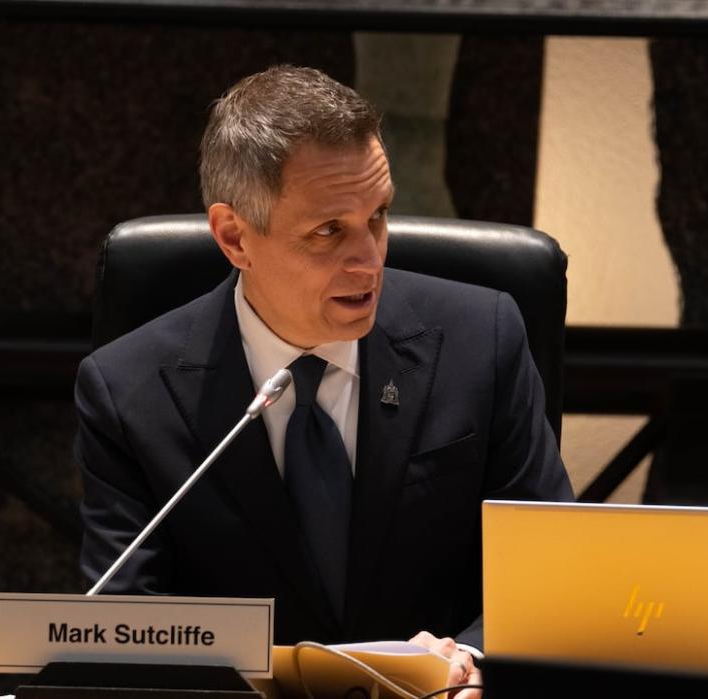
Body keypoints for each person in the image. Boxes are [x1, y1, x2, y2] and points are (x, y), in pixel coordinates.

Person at [76, 65, 573, 697]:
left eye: (379, 217)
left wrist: (471, 660)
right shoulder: (127, 390)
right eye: (328, 231)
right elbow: (125, 620)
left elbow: (548, 577)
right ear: (234, 236)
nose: (369, 258)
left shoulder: (483, 340)